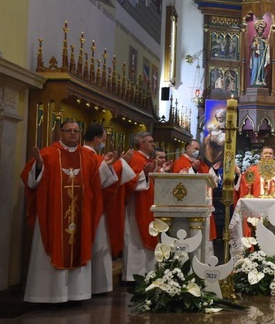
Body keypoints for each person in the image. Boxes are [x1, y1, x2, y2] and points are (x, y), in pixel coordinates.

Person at [20, 119, 103, 303]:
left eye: (76, 130)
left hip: (80, 214)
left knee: (78, 245)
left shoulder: (88, 157)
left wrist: (108, 167)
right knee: (52, 246)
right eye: (68, 130)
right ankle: (48, 296)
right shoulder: (48, 154)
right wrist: (39, 166)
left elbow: (96, 186)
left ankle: (76, 294)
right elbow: (30, 181)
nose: (73, 133)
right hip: (54, 215)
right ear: (61, 133)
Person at [83, 123, 136, 295]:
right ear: (96, 139)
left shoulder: (93, 157)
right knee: (97, 246)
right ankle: (96, 286)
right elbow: (104, 182)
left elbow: (107, 178)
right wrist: (122, 163)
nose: (103, 143)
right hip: (93, 209)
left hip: (94, 207)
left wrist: (116, 164)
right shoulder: (88, 156)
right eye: (103, 140)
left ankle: (96, 285)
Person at [122, 132, 166, 282]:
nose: (153, 144)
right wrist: (144, 174)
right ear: (141, 144)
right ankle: (133, 276)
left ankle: (147, 272)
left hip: (148, 204)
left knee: (147, 235)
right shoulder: (135, 158)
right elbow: (129, 182)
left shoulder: (147, 159)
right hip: (137, 206)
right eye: (150, 142)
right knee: (136, 239)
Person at [173, 139, 219, 246]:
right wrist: (192, 170)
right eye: (195, 149)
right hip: (188, 205)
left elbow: (212, 181)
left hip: (202, 203)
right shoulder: (180, 162)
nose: (197, 151)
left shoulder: (201, 164)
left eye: (198, 149)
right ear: (188, 148)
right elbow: (179, 183)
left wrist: (215, 170)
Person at [249, 20, 270, 87]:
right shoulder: (255, 38)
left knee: (261, 68)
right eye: (259, 29)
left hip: (262, 55)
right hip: (256, 55)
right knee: (255, 67)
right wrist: (255, 43)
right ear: (257, 30)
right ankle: (254, 81)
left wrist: (267, 45)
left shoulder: (264, 38)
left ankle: (261, 80)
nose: (260, 31)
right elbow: (251, 47)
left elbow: (266, 47)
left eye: (261, 30)